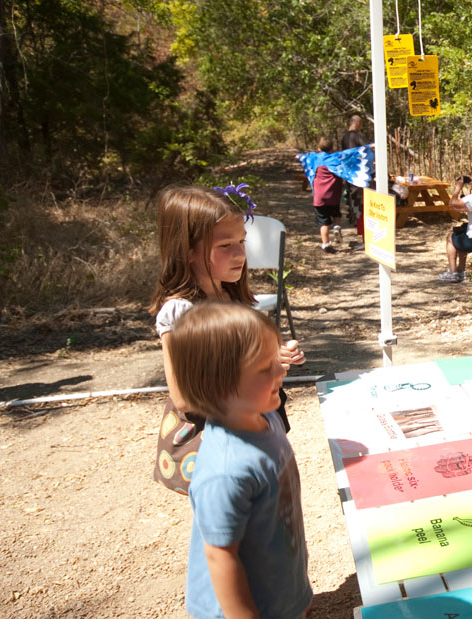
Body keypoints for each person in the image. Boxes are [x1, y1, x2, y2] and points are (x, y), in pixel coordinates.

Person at [147, 185, 305, 493]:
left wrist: (274, 356)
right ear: (188, 251)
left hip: (249, 430)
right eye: (225, 245)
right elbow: (184, 397)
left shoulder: (230, 295)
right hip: (219, 444)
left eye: (242, 242)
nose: (241, 254)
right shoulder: (182, 312)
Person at [166, 302, 312, 618]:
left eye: (275, 360)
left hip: (278, 593)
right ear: (219, 385)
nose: (280, 370)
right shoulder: (225, 471)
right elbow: (221, 557)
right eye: (264, 369)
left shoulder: (267, 417)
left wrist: (296, 596)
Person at [311, 138, 343, 253]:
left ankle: (326, 244)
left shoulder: (315, 159)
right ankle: (337, 227)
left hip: (319, 197)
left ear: (319, 149)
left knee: (323, 223)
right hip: (333, 196)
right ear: (332, 148)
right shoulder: (335, 160)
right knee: (337, 215)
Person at [341, 115, 369, 234]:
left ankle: (355, 220)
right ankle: (361, 226)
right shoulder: (358, 136)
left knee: (353, 198)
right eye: (361, 124)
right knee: (361, 200)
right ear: (358, 123)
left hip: (349, 172)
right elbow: (368, 150)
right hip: (359, 173)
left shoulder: (344, 138)